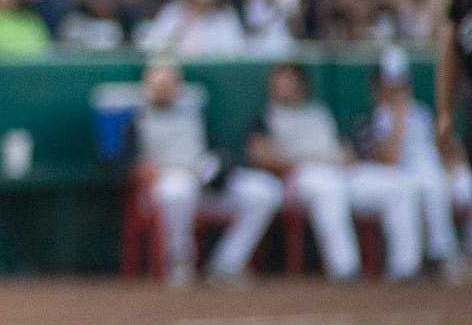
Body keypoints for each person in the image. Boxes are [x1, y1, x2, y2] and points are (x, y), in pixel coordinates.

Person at [243, 62, 417, 282]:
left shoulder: (319, 112)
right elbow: (260, 155)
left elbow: (345, 147)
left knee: (398, 185)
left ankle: (405, 267)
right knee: (328, 187)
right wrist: (308, 159)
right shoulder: (265, 115)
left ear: (302, 85)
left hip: (340, 171)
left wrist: (346, 158)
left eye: (290, 81)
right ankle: (344, 268)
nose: (285, 86)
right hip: (302, 176)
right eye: (280, 81)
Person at [129, 59, 282, 288]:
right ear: (147, 88)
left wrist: (216, 170)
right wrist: (179, 171)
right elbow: (131, 166)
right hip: (166, 188)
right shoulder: (135, 121)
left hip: (205, 186)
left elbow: (218, 152)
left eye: (169, 84)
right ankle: (180, 263)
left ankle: (227, 265)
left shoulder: (195, 118)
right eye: (158, 84)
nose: (164, 90)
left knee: (264, 190)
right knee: (178, 190)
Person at [360, 46, 470, 282]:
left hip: (433, 170)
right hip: (402, 175)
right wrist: (399, 116)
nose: (395, 91)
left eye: (399, 84)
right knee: (426, 185)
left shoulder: (421, 112)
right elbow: (391, 158)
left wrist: (452, 164)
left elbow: (445, 148)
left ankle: (462, 253)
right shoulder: (373, 117)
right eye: (389, 84)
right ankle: (442, 255)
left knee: (462, 185)